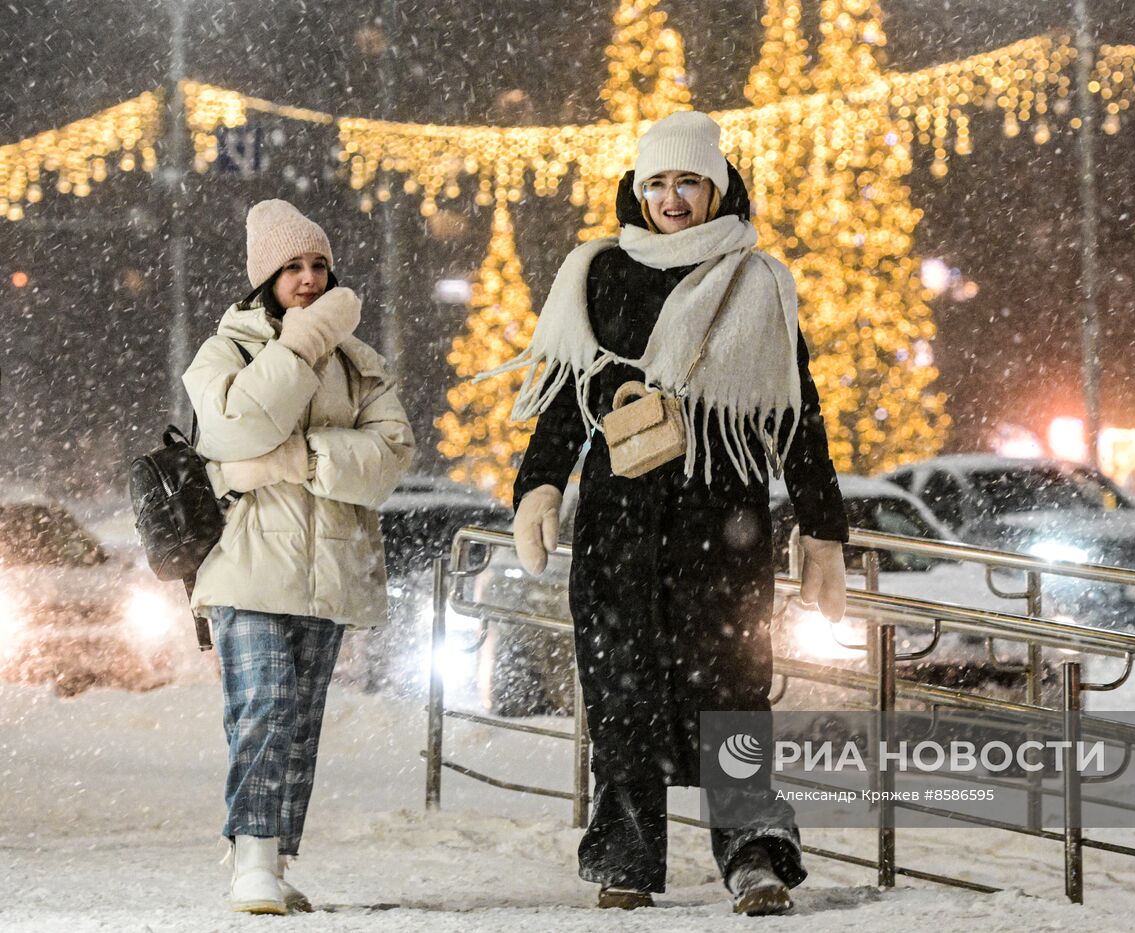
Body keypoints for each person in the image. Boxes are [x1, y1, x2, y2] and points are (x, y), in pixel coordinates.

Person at [482, 111, 848, 915]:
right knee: (619, 693)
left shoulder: (759, 283)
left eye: (688, 182)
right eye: (657, 183)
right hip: (617, 531)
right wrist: (539, 486)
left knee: (731, 698)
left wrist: (823, 529)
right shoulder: (598, 273)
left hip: (723, 531)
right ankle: (626, 856)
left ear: (716, 187)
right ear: (637, 189)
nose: (672, 198)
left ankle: (755, 856)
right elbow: (565, 401)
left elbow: (799, 415)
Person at [182, 199, 414, 914]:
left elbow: (390, 457)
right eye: (292, 268)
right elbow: (240, 424)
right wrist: (299, 348)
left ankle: (277, 858)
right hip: (246, 565)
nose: (309, 279)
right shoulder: (226, 353)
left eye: (318, 265)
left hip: (329, 569)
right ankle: (250, 854)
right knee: (265, 703)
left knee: (300, 720)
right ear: (265, 279)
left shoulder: (360, 362)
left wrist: (298, 458)